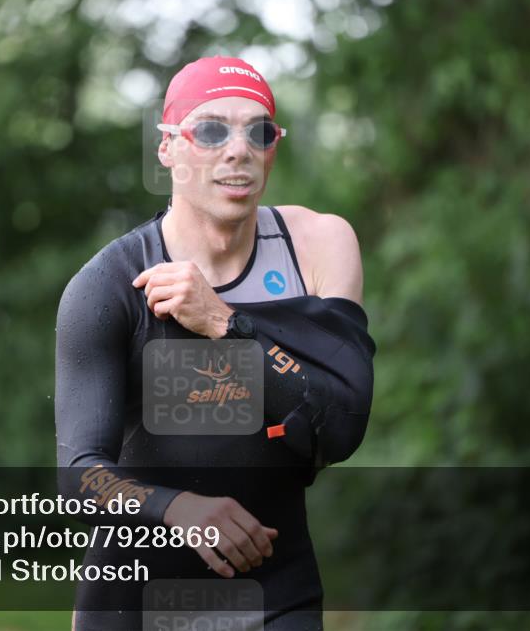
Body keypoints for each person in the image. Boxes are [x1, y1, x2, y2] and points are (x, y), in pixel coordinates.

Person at [55, 57, 377, 630]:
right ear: (168, 148)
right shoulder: (109, 284)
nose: (238, 149)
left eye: (258, 131)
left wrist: (226, 324)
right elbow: (81, 473)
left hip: (274, 593)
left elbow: (342, 426)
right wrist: (180, 508)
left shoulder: (318, 247)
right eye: (210, 131)